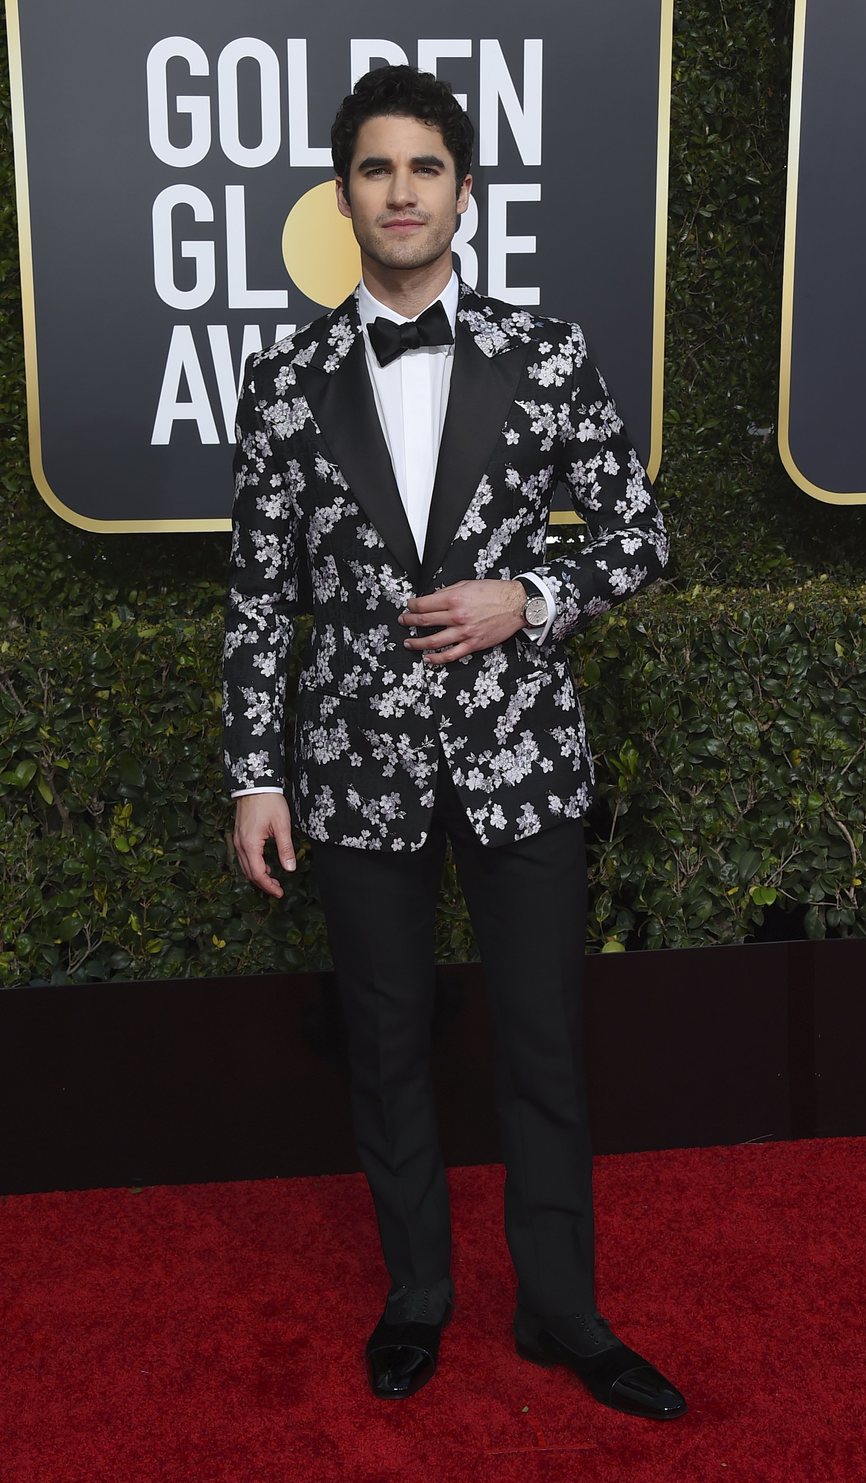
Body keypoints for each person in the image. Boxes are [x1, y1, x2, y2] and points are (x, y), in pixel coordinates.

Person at [223, 65, 685, 1420]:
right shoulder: (288, 379)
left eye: (426, 167)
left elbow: (641, 534)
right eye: (377, 169)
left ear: (464, 191)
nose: (403, 191)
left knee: (542, 1044)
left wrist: (531, 597)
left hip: (521, 762)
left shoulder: (548, 355)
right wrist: (255, 771)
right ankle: (418, 1295)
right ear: (346, 195)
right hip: (353, 776)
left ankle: (563, 1312)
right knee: (386, 1044)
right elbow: (259, 592)